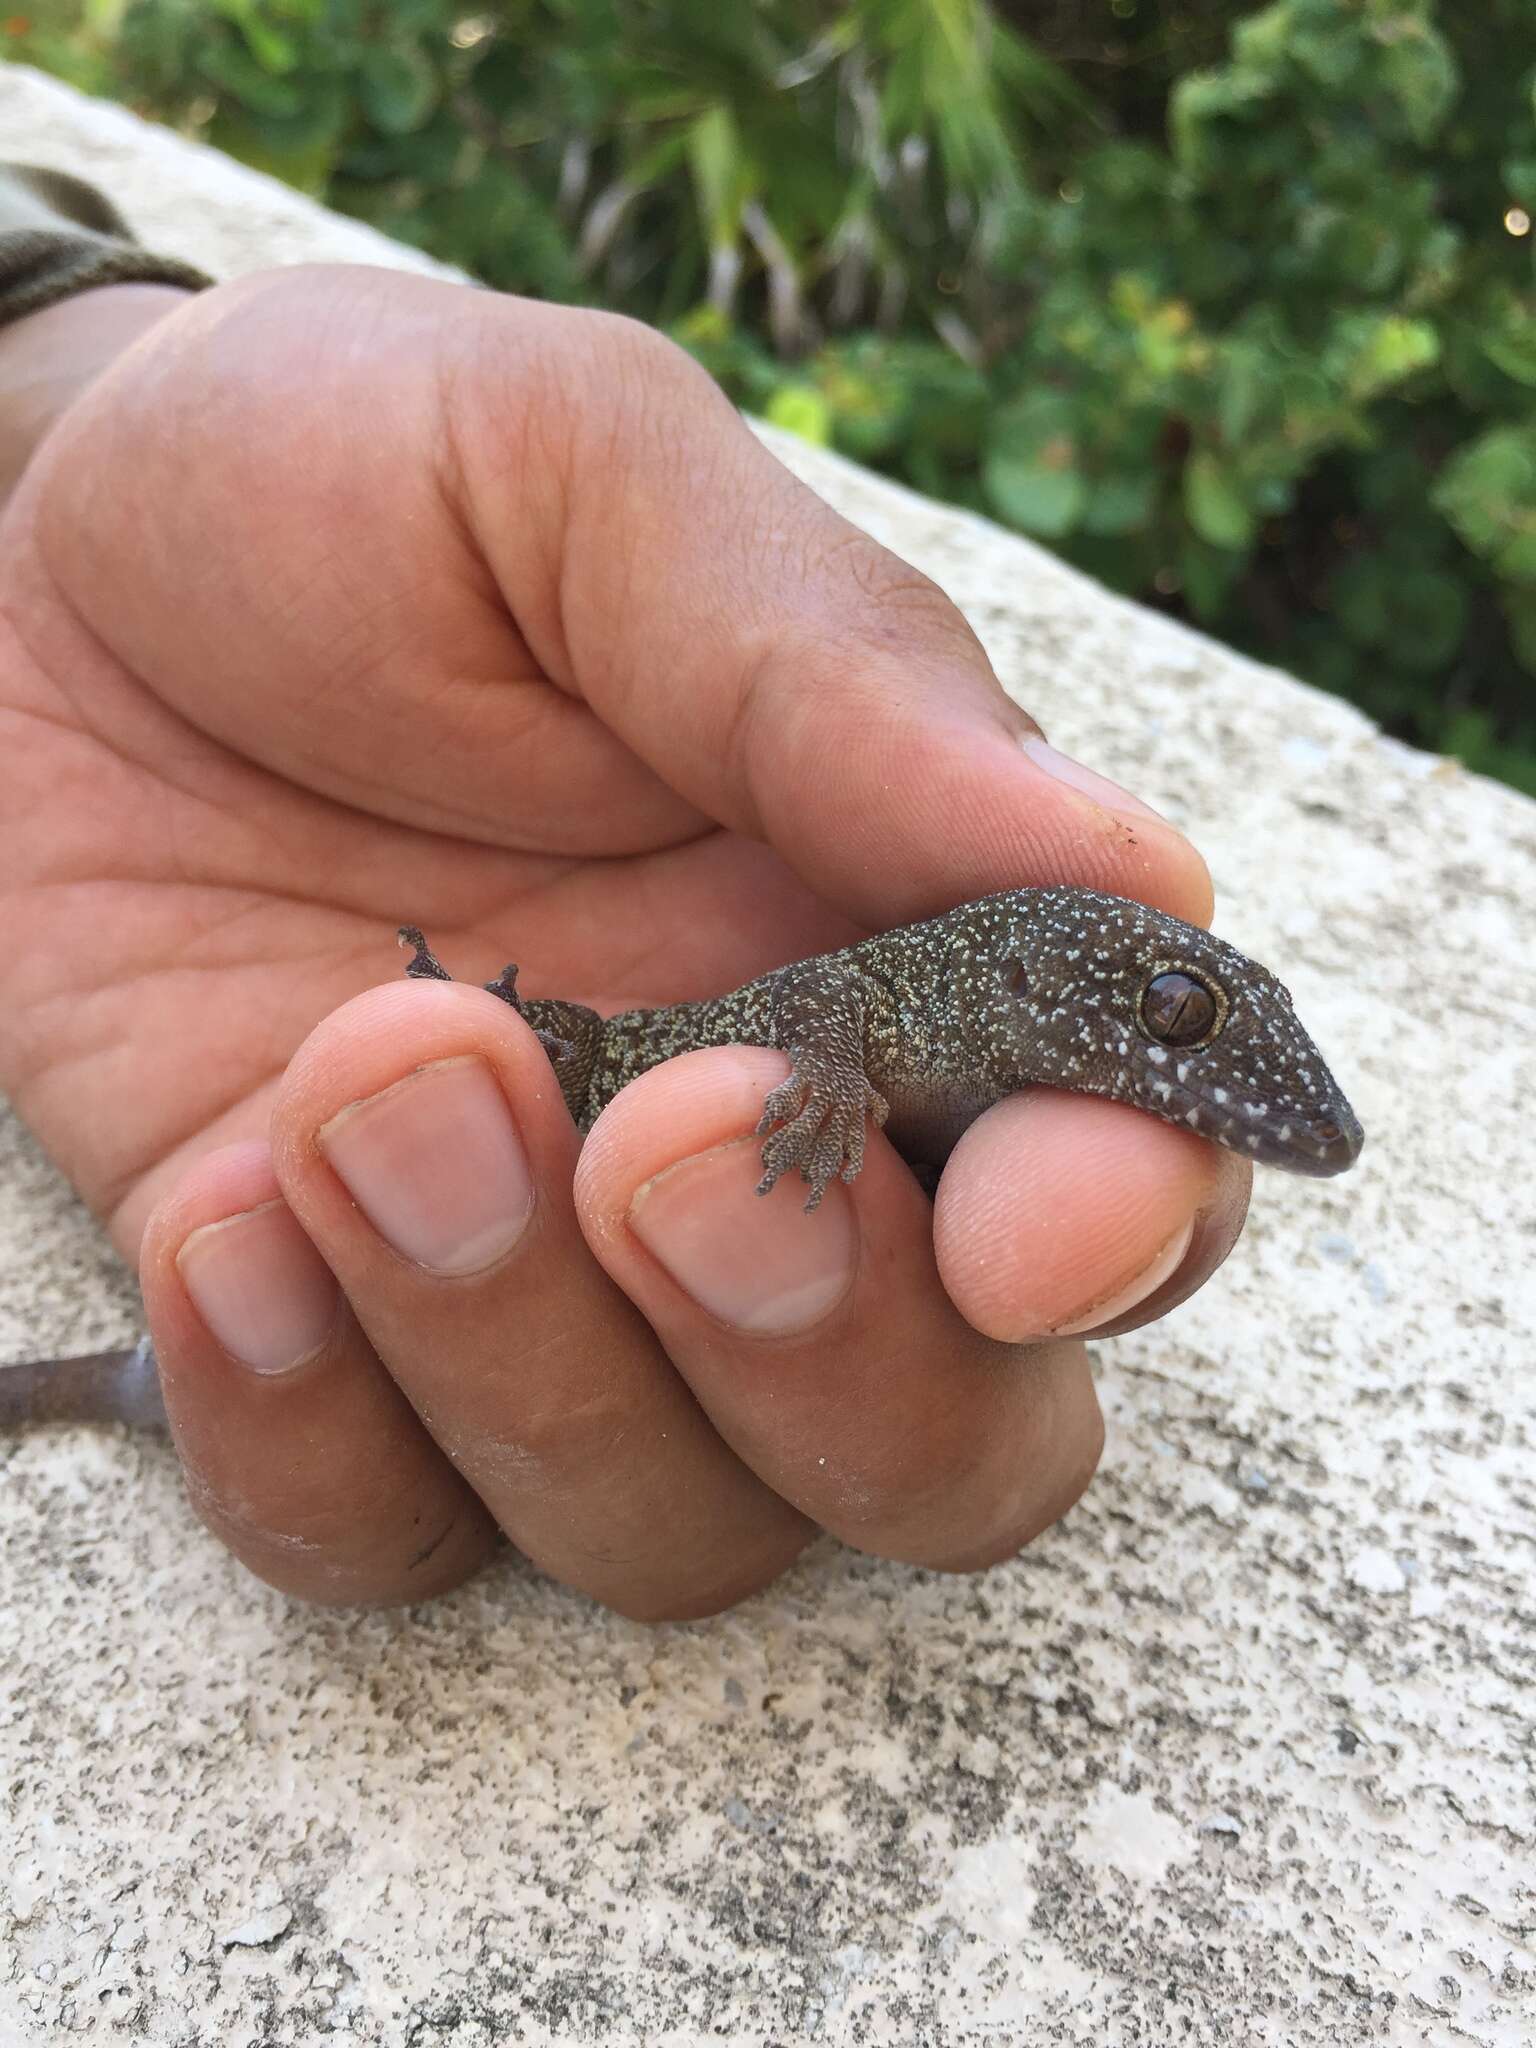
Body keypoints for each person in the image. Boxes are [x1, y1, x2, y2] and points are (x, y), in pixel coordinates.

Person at [0, 164, 1248, 1619]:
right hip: (538, 1123)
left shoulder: (993, 1018)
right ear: (1050, 968)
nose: (1176, 1029)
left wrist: (46, 369)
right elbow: (828, 998)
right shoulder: (944, 975)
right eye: (1176, 1005)